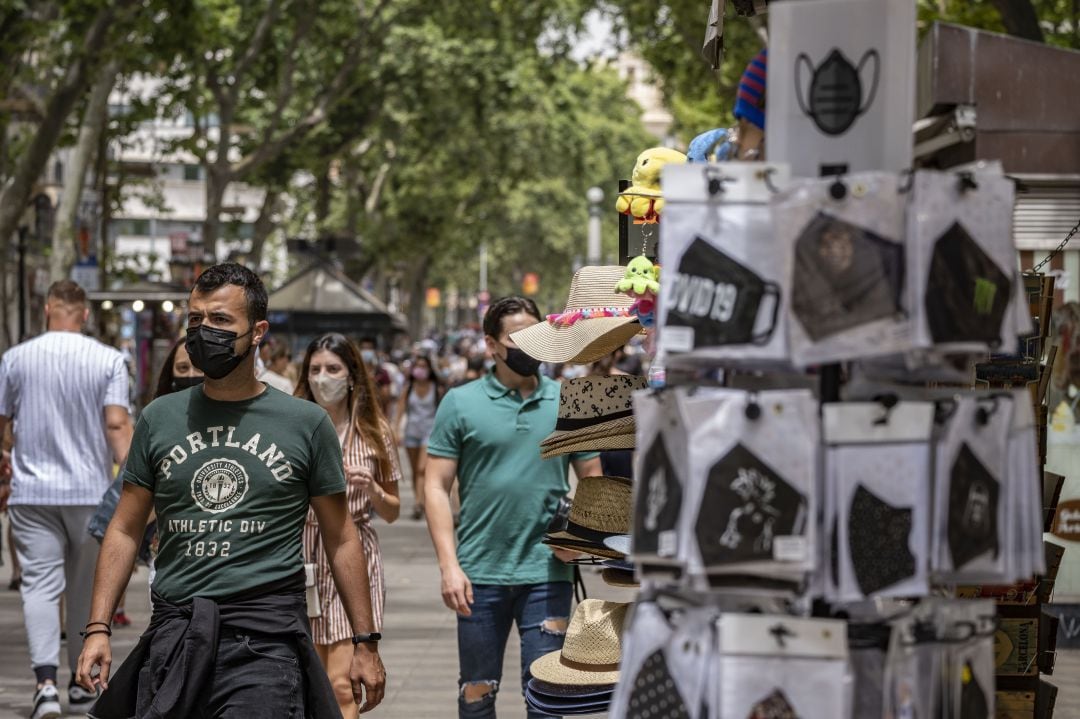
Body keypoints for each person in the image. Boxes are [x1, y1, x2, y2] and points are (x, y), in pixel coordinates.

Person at [76, 263, 386, 718]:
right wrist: (98, 628)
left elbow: (341, 537)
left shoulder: (305, 424)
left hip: (265, 644)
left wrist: (365, 642)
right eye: (196, 320)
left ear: (257, 331)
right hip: (175, 635)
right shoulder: (159, 419)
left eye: (221, 321)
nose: (205, 332)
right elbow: (124, 529)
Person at [424, 296, 602, 719]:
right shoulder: (460, 402)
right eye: (518, 337)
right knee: (477, 695)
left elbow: (594, 479)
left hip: (547, 573)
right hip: (478, 576)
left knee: (548, 698)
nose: (532, 345)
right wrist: (449, 566)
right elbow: (434, 485)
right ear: (491, 345)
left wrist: (581, 534)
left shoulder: (569, 399)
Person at [0, 280, 133, 719]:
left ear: (47, 309)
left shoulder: (14, 359)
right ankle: (81, 683)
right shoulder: (109, 359)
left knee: (39, 586)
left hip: (32, 492)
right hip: (91, 492)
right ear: (85, 314)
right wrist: (136, 481)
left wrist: (5, 462)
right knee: (84, 590)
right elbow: (116, 425)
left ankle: (43, 686)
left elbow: (3, 423)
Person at [294, 333, 401, 718]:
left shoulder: (375, 433)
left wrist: (372, 488)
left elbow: (392, 510)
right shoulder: (292, 428)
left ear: (352, 375)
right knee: (307, 682)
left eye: (333, 369)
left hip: (352, 554)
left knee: (341, 684)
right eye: (316, 369)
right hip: (299, 557)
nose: (324, 378)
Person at [395, 353, 444, 520]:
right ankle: (420, 500)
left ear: (429, 369)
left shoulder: (436, 388)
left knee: (422, 469)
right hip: (411, 432)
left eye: (424, 366)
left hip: (429, 432)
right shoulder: (408, 388)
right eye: (418, 366)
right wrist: (396, 430)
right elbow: (400, 410)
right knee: (415, 469)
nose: (420, 370)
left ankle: (418, 503)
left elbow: (442, 411)